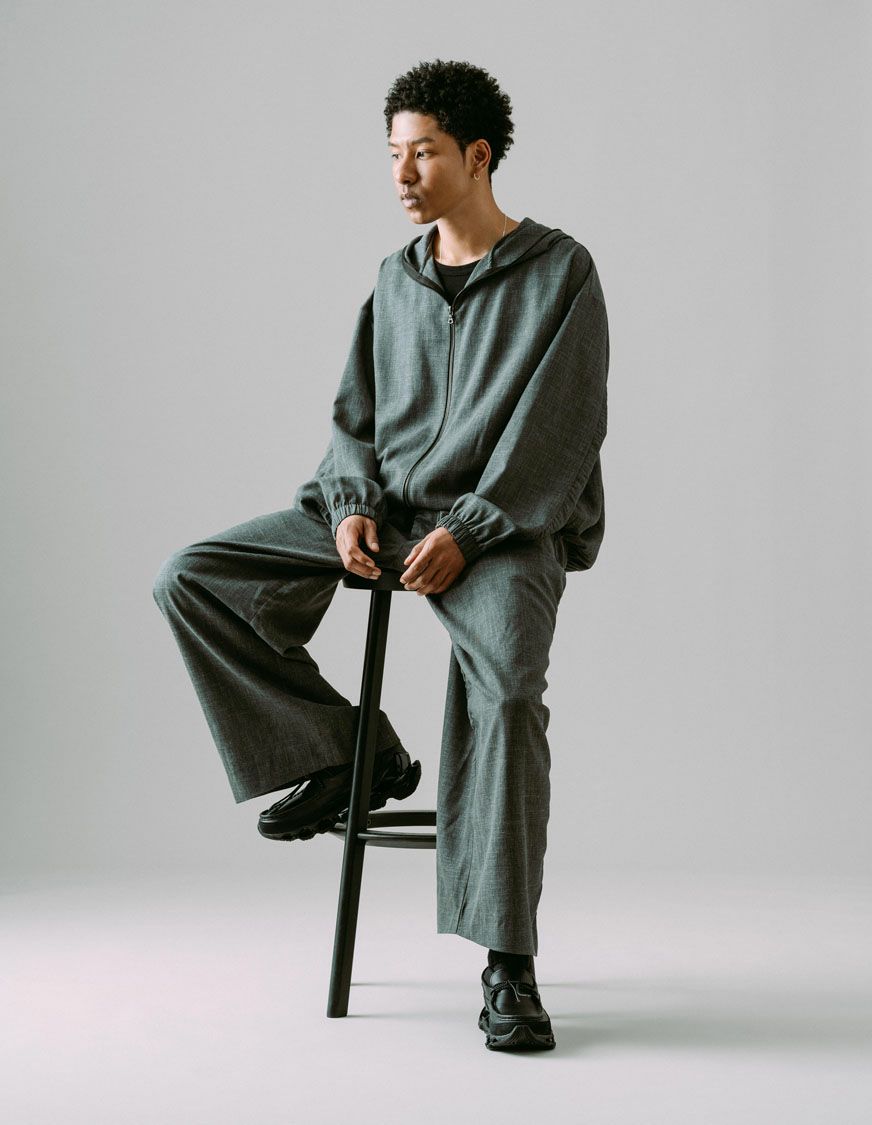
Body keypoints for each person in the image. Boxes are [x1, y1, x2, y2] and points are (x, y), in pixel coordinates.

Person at [152, 57, 609, 1052]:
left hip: (502, 528)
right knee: (195, 577)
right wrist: (352, 506)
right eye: (393, 155)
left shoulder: (560, 272)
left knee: (508, 694)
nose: (402, 175)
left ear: (477, 156)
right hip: (388, 510)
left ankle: (508, 964)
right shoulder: (394, 280)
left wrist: (471, 531)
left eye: (424, 154)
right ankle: (353, 751)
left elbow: (561, 431)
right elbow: (353, 422)